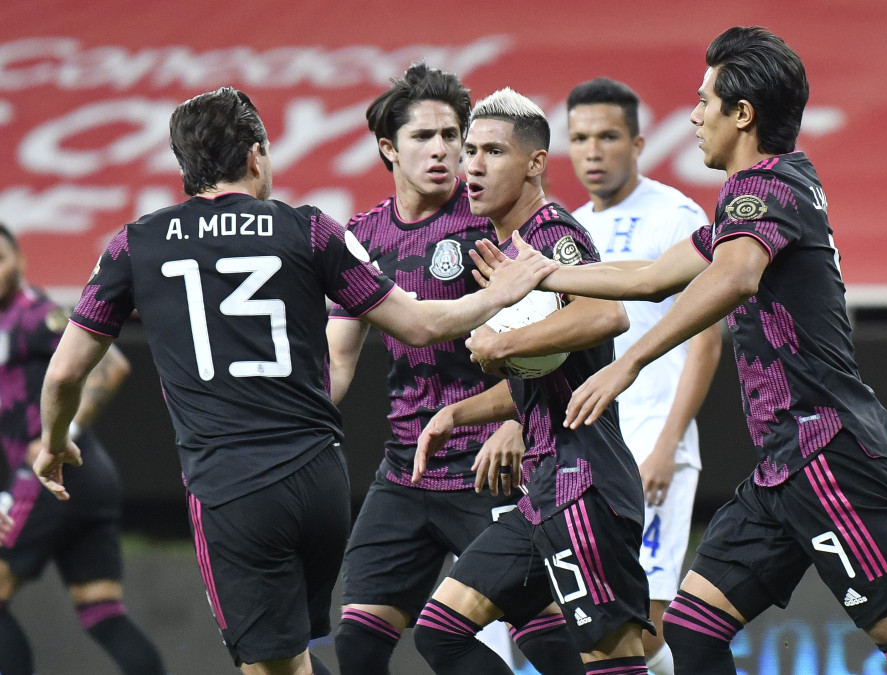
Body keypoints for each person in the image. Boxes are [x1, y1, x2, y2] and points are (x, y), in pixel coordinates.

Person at [476, 26, 887, 675]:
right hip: (782, 467)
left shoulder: (765, 187)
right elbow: (653, 276)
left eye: (704, 101)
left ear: (742, 114)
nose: (694, 116)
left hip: (826, 453)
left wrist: (629, 361)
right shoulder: (758, 200)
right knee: (691, 629)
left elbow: (733, 279)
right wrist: (544, 273)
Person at [31, 86, 555, 675]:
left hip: (232, 485)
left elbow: (65, 372)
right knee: (303, 656)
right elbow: (419, 325)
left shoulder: (135, 243)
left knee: (270, 666)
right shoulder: (310, 229)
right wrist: (498, 293)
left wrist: (54, 440)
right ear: (256, 155)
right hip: (320, 480)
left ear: (184, 166)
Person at [327, 62, 584, 675]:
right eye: (423, 136)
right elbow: (336, 361)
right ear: (388, 148)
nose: (443, 150)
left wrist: (518, 422)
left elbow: (562, 341)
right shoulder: (361, 237)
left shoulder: (491, 221)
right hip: (406, 471)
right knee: (357, 645)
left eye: (453, 136)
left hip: (490, 467)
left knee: (547, 643)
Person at [410, 87, 652, 675]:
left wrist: (502, 342)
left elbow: (607, 314)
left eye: (493, 152)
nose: (472, 166)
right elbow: (539, 380)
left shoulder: (551, 234)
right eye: (470, 151)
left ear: (535, 163)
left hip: (584, 483)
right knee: (440, 632)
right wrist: (455, 414)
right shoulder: (505, 251)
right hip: (543, 489)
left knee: (615, 665)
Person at [565, 77, 723, 675]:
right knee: (594, 618)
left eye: (608, 137)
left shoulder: (674, 216)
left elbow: (707, 341)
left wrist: (667, 445)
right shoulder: (569, 227)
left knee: (647, 619)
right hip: (592, 446)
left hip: (654, 442)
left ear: (636, 143)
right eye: (580, 138)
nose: (593, 151)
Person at [0, 223, 167, 675]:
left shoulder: (35, 315)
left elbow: (110, 364)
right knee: (102, 612)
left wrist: (58, 435)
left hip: (52, 473)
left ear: (21, 261)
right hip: (87, 480)